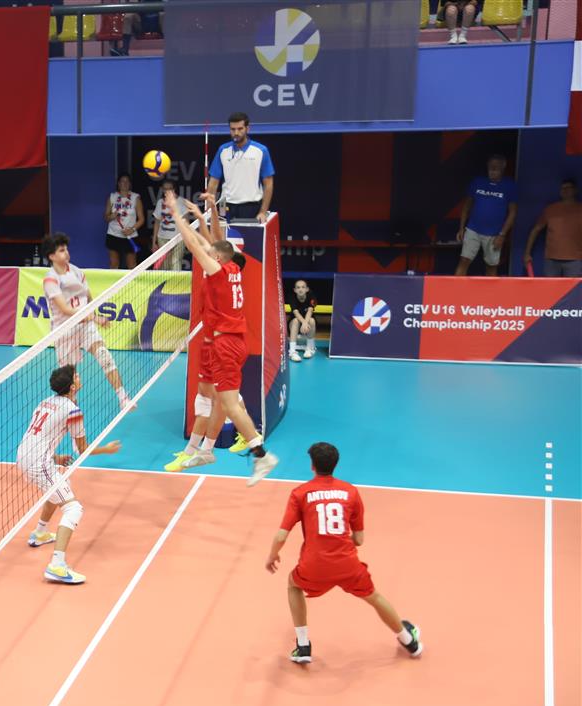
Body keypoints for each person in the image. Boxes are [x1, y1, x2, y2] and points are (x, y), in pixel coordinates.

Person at [265, 443, 423, 664]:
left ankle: (303, 646)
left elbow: (281, 535)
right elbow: (359, 540)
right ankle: (409, 641)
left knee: (293, 585)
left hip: (314, 565)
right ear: (335, 465)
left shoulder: (300, 493)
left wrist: (272, 556)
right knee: (374, 597)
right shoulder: (350, 492)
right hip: (348, 565)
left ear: (312, 466)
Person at [167, 189, 278, 485]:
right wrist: (205, 216)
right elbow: (212, 240)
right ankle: (206, 450)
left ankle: (261, 454)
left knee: (228, 404)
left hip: (226, 343)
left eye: (212, 251)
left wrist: (177, 216)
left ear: (217, 257)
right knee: (219, 399)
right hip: (230, 341)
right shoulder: (232, 267)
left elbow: (196, 244)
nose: (209, 251)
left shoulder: (217, 270)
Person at [16, 365, 121, 585]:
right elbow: (82, 449)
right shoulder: (73, 411)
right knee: (74, 508)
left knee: (62, 484)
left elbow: (38, 437)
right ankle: (57, 565)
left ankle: (40, 532)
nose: (80, 377)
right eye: (76, 376)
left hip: (24, 455)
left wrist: (54, 457)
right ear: (72, 386)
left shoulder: (45, 402)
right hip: (38, 463)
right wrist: (107, 449)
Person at [41, 232, 132, 409]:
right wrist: (95, 318)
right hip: (65, 330)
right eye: (61, 250)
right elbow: (65, 309)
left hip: (85, 327)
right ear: (51, 256)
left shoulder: (77, 272)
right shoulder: (50, 279)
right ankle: (69, 408)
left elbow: (88, 296)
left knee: (104, 355)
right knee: (70, 377)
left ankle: (123, 398)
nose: (66, 253)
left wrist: (91, 312)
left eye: (66, 249)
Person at [206, 112, 275, 223]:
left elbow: (268, 184)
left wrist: (263, 211)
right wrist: (209, 211)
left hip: (251, 206)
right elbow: (213, 182)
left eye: (240, 129)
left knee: (247, 235)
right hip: (225, 205)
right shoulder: (223, 150)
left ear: (247, 128)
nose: (236, 133)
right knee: (223, 234)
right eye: (233, 129)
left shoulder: (261, 151)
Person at [456, 154, 517, 277]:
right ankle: (456, 289)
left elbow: (513, 212)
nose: (492, 171)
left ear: (503, 167)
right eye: (490, 168)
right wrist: (461, 228)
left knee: (491, 265)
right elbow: (466, 207)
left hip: (495, 234)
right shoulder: (478, 182)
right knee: (464, 260)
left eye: (496, 168)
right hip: (473, 229)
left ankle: (490, 290)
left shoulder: (509, 186)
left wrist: (502, 235)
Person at [524, 178, 582, 277]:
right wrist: (527, 253)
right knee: (550, 287)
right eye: (563, 188)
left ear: (575, 190)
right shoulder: (550, 209)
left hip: (575, 260)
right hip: (551, 260)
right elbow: (535, 230)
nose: (565, 190)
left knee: (574, 287)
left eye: (568, 187)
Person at [104, 173, 145, 270]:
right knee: (114, 264)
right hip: (113, 234)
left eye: (127, 181)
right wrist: (112, 216)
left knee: (131, 265)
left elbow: (142, 219)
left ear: (130, 184)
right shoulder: (112, 197)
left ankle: (132, 281)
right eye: (122, 181)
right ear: (118, 183)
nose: (125, 183)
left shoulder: (135, 198)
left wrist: (132, 229)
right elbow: (106, 217)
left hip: (130, 236)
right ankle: (115, 280)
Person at [150, 180, 190, 269]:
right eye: (165, 189)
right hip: (162, 238)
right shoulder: (160, 202)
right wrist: (154, 242)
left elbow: (187, 222)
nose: (167, 191)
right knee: (165, 264)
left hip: (178, 238)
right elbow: (157, 222)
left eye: (170, 189)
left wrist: (188, 239)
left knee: (175, 262)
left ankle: (176, 279)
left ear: (174, 189)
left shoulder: (182, 201)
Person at [287, 279, 317, 362]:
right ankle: (292, 352)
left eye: (303, 287)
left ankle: (310, 348)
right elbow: (296, 313)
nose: (300, 289)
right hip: (294, 324)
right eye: (298, 287)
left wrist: (305, 323)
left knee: (312, 320)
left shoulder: (312, 297)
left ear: (307, 289)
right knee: (296, 320)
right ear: (295, 290)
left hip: (308, 324)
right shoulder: (292, 297)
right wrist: (303, 322)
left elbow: (310, 311)